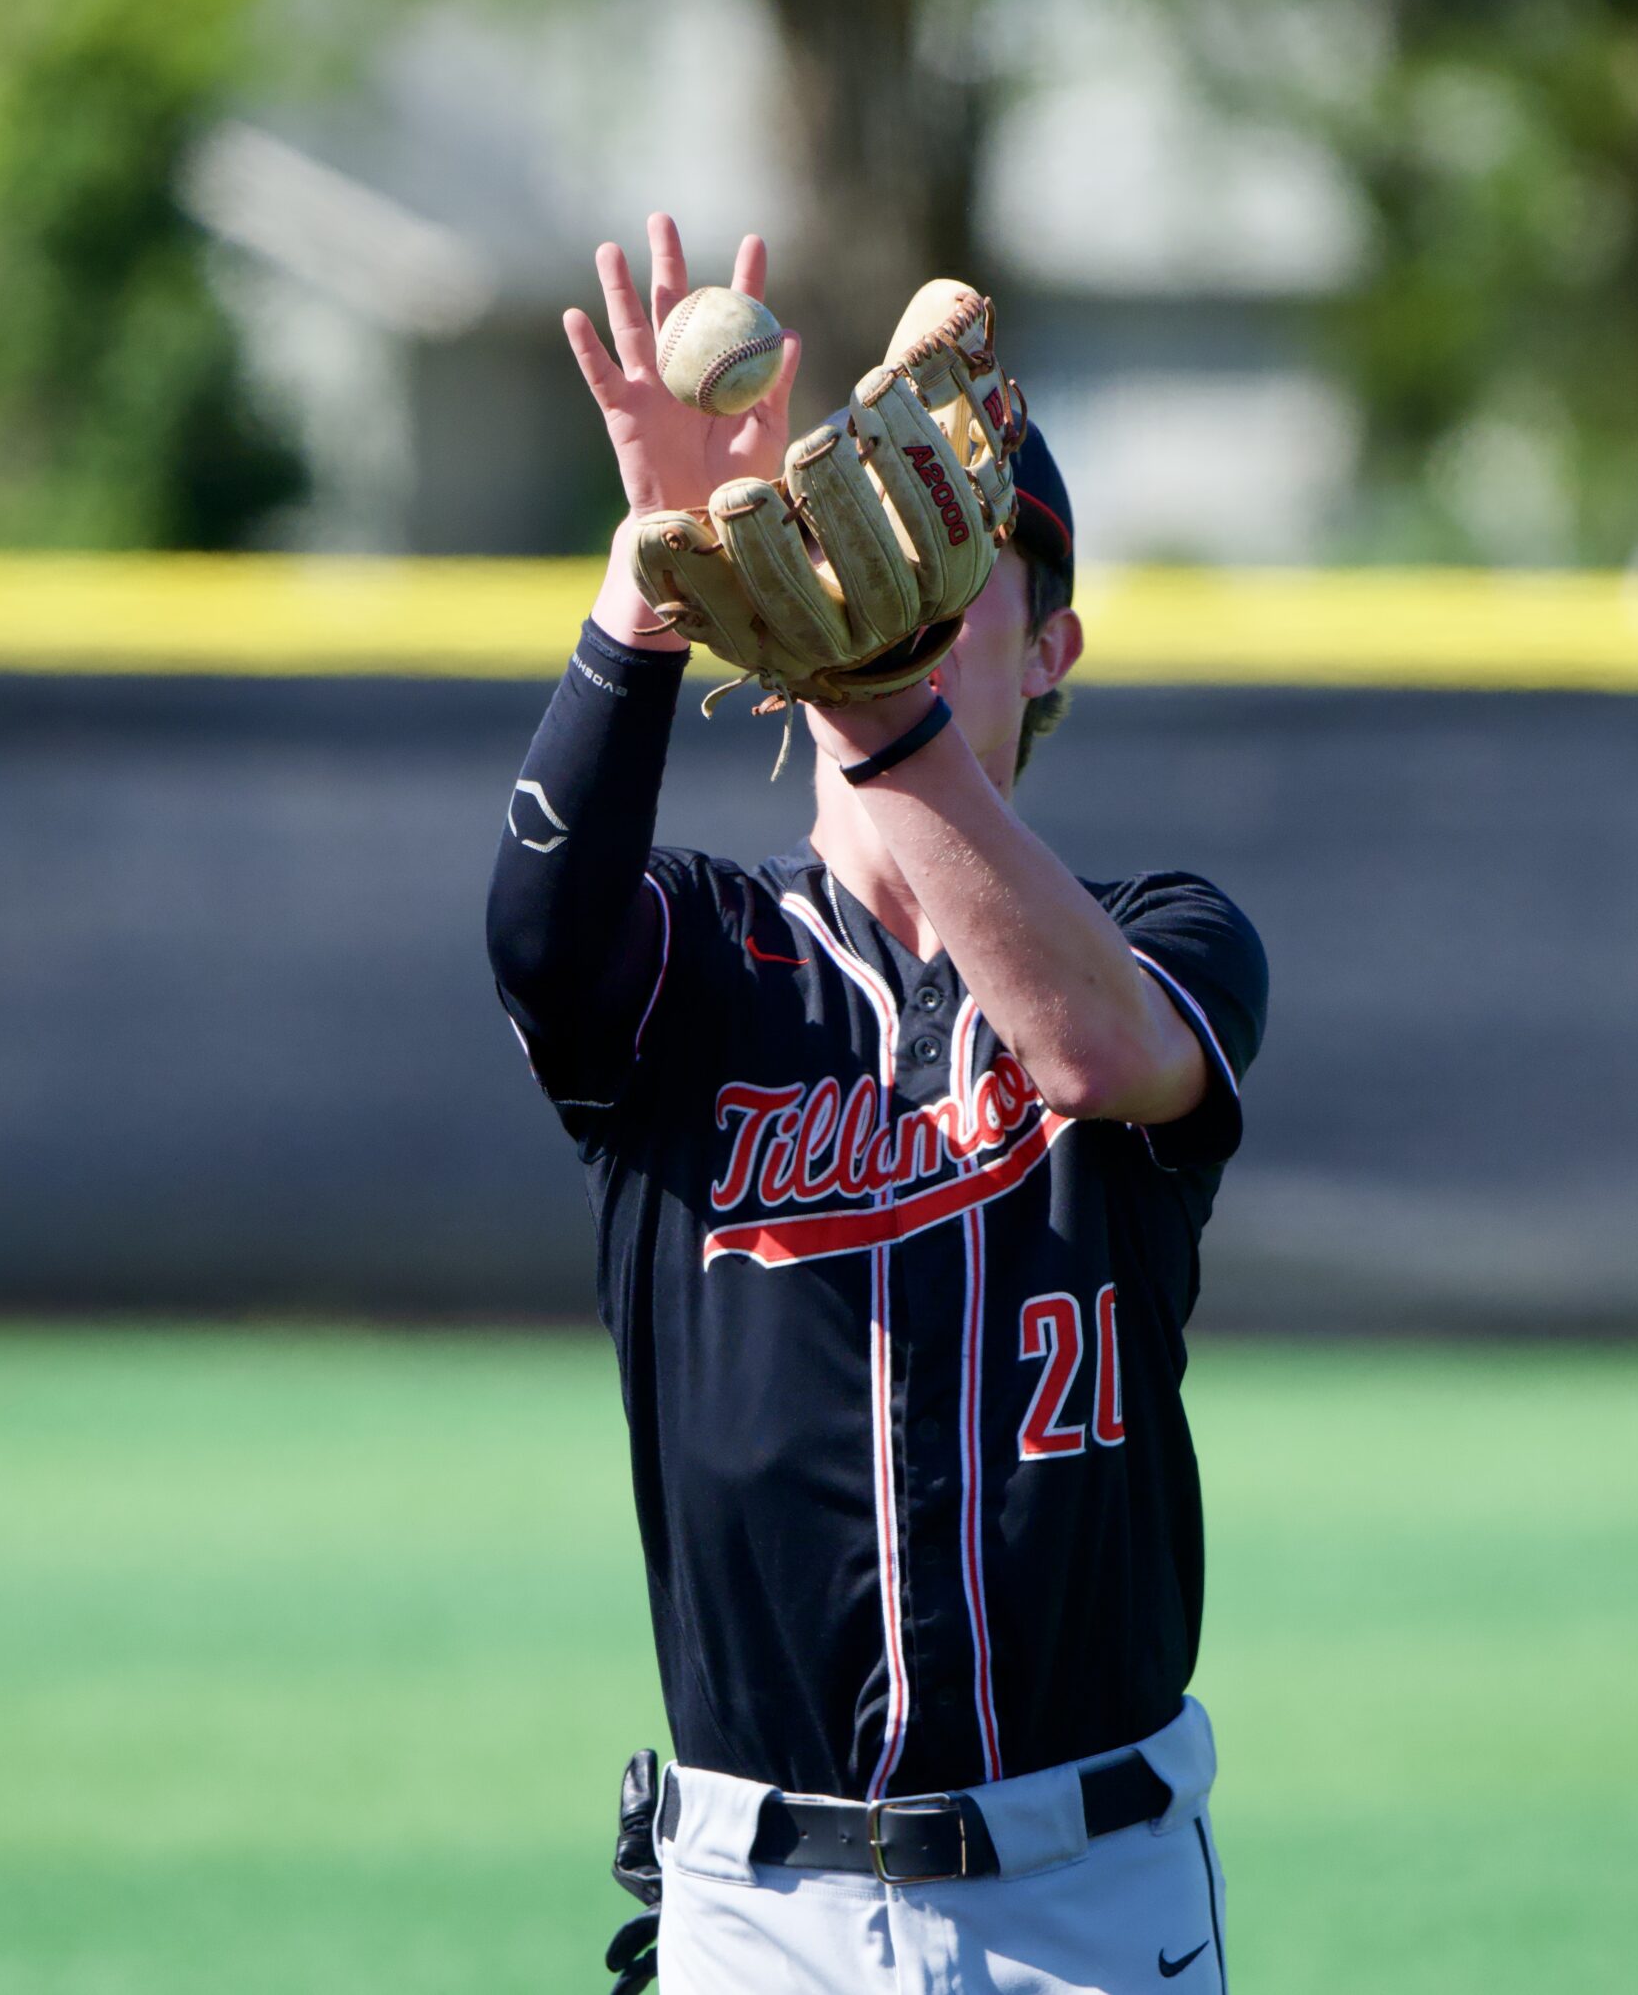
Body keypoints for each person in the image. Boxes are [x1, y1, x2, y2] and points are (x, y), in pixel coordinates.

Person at [486, 214, 1267, 1995]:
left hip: (1091, 1895)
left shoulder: (1168, 935)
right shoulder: (702, 959)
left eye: (959, 550)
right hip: (761, 1912)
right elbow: (536, 937)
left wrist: (870, 702)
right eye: (872, 534)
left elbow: (1094, 1055)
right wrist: (649, 575)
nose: (901, 577)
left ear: (1050, 646)